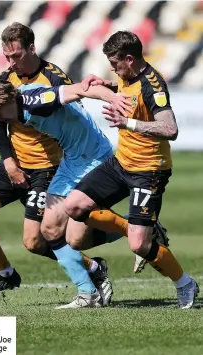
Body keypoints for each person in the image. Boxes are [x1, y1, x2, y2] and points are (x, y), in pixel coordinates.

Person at [0, 22, 117, 302]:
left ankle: (95, 265)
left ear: (31, 48)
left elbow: (75, 107)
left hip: (47, 168)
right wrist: (9, 162)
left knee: (36, 241)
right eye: (6, 57)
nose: (10, 63)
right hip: (15, 163)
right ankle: (5, 273)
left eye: (16, 56)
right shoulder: (5, 81)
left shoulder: (52, 80)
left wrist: (111, 95)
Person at [0, 75, 135, 308]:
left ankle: (136, 227)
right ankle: (88, 294)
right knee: (49, 230)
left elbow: (80, 90)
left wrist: (113, 97)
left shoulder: (37, 100)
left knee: (76, 238)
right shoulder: (16, 106)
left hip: (93, 159)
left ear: (0, 106)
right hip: (71, 161)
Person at [63, 31, 199, 309]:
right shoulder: (127, 75)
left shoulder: (154, 86)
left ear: (129, 58)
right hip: (121, 163)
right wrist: (106, 85)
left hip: (149, 172)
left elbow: (170, 129)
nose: (112, 68)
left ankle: (185, 282)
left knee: (139, 246)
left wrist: (129, 124)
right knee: (74, 206)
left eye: (114, 63)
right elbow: (125, 91)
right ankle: (139, 227)